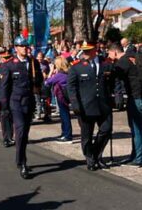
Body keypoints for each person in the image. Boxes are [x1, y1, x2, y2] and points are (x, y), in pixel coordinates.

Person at [0, 36, 43, 179]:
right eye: (22, 46)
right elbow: (4, 87)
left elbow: (39, 79)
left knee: (25, 133)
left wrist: (38, 85)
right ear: (16, 48)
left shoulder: (33, 62)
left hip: (29, 101)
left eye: (26, 46)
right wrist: (4, 106)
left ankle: (19, 159)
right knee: (20, 130)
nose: (25, 48)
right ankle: (23, 163)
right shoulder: (10, 65)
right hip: (16, 102)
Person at [67, 41, 114, 171]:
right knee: (86, 136)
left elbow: (113, 82)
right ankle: (90, 158)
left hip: (103, 105)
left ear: (95, 50)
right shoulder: (77, 67)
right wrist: (75, 104)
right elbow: (71, 87)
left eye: (88, 50)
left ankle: (96, 154)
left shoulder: (106, 64)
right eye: (84, 50)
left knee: (106, 130)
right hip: (86, 106)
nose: (85, 53)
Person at [108, 44, 142, 167]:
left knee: (136, 129)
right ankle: (136, 155)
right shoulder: (137, 56)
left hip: (135, 97)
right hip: (139, 95)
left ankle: (138, 158)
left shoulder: (121, 63)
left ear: (115, 52)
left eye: (109, 54)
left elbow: (113, 79)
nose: (109, 56)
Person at [45, 56, 72, 143]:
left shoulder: (59, 75)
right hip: (67, 96)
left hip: (61, 97)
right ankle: (64, 133)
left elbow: (47, 82)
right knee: (65, 115)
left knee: (64, 116)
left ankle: (67, 135)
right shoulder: (68, 73)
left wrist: (51, 72)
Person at [0, 50, 15, 147]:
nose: (7, 60)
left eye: (8, 57)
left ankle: (11, 136)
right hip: (3, 98)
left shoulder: (14, 69)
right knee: (5, 117)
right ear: (1, 58)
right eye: (5, 58)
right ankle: (6, 138)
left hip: (13, 97)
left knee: (12, 117)